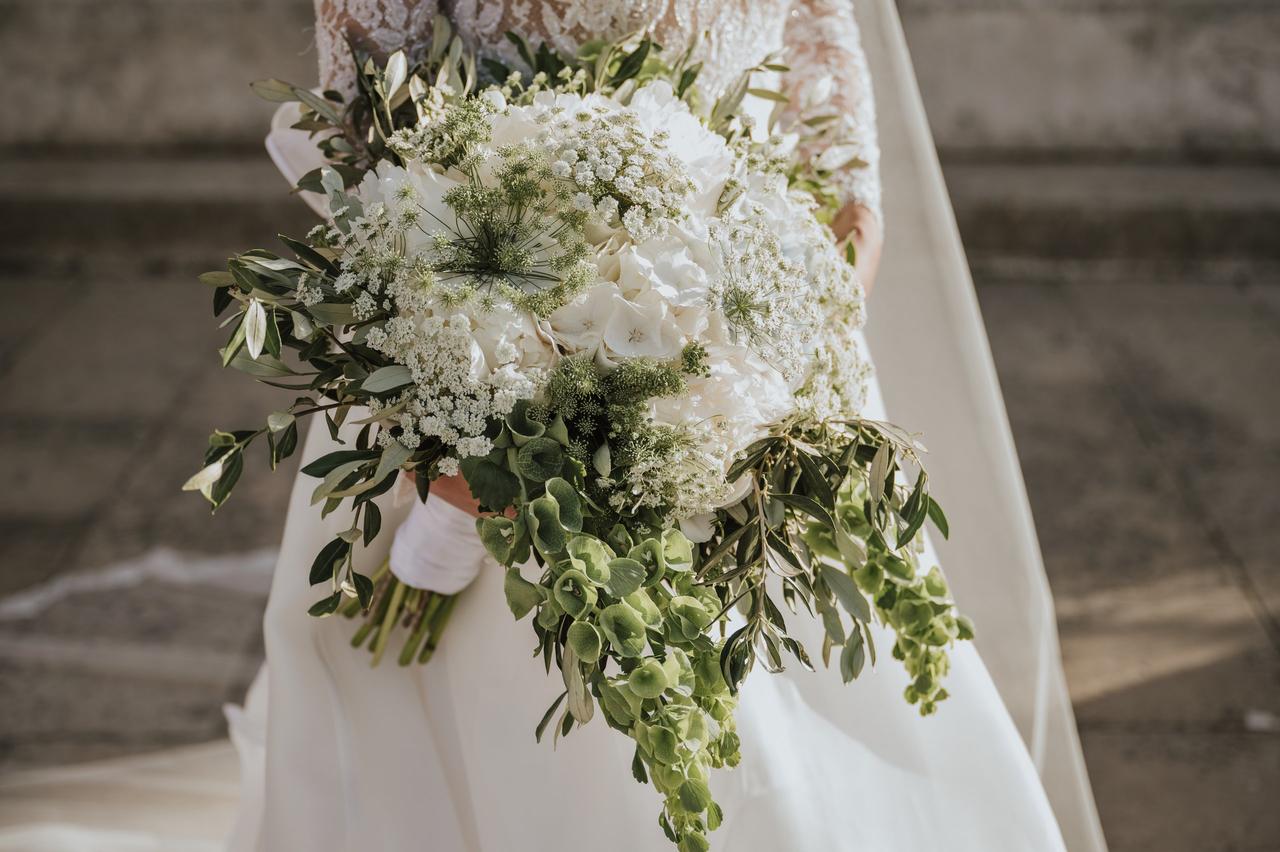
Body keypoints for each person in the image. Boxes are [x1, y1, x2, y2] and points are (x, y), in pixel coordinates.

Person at [228, 2, 1108, 850]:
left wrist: (807, 286)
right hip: (471, 351)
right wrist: (467, 398)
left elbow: (831, 91)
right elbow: (358, 132)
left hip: (752, 331)